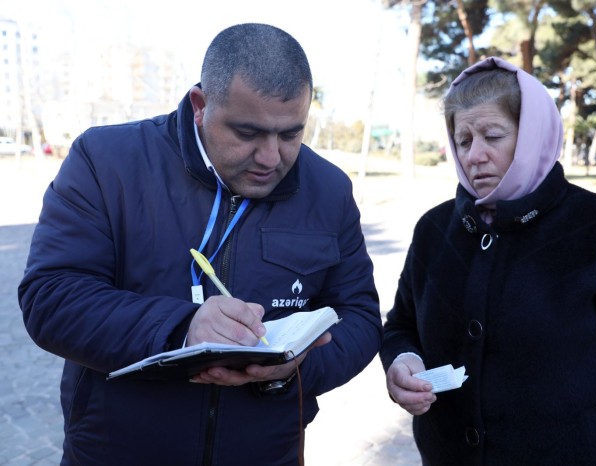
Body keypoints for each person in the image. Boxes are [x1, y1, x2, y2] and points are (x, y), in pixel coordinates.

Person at [19, 23, 381, 465]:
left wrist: (293, 370)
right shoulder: (106, 161)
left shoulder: (329, 190)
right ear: (200, 105)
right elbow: (51, 297)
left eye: (290, 134)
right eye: (247, 133)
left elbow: (359, 316)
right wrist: (181, 329)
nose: (271, 157)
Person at [380, 57, 596, 465]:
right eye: (463, 140)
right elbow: (401, 324)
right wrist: (403, 360)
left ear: (532, 135)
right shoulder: (434, 231)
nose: (475, 155)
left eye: (493, 135)